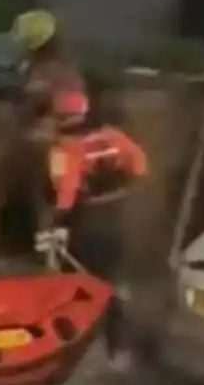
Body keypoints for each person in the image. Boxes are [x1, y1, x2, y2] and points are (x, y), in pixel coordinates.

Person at [44, 87, 149, 361]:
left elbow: (67, 193)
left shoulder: (65, 148)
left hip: (85, 224)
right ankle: (119, 347)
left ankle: (74, 350)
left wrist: (57, 223)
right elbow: (140, 167)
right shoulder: (114, 137)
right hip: (115, 220)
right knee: (113, 282)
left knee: (76, 289)